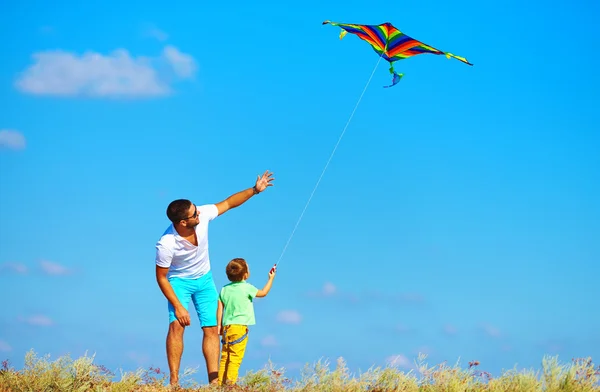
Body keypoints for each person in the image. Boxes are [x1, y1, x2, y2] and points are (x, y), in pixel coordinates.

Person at [154, 170, 274, 386]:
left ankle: (214, 384)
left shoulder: (202, 214)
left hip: (204, 280)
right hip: (179, 282)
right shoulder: (166, 244)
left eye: (196, 210)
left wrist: (255, 190)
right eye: (193, 214)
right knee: (176, 326)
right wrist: (179, 307)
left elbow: (228, 203)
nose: (198, 214)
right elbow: (161, 278)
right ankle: (174, 383)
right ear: (182, 222)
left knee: (211, 328)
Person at [217, 258, 276, 385]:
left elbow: (220, 308)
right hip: (239, 328)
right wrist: (271, 278)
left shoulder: (224, 289)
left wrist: (219, 326)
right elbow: (263, 293)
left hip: (226, 327)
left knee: (225, 358)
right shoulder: (247, 288)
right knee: (234, 358)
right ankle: (229, 386)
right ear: (245, 275)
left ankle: (220, 386)